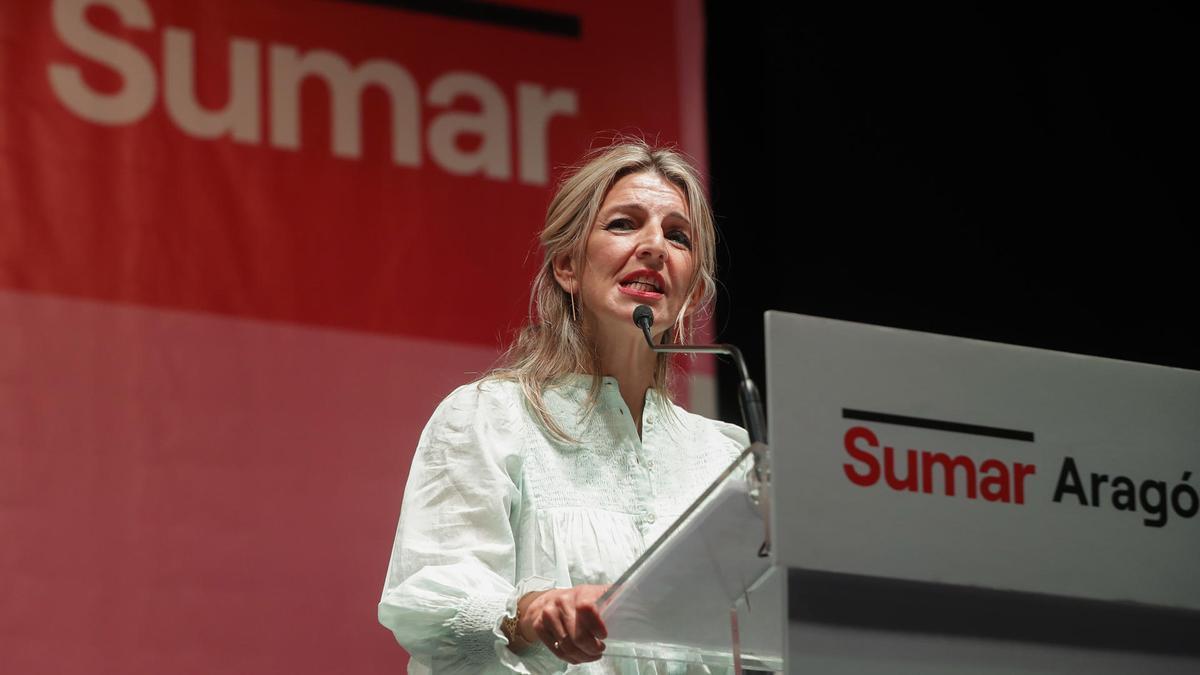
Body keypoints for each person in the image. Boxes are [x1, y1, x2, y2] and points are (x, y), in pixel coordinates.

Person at [378, 139, 749, 674]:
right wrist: (527, 613)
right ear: (567, 266)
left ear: (691, 289)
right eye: (624, 224)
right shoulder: (489, 417)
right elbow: (435, 613)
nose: (654, 247)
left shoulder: (726, 457)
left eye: (677, 236)